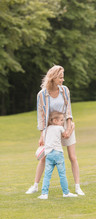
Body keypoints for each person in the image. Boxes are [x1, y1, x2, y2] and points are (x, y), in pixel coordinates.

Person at [26, 65, 85, 195]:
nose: (63, 80)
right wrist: (42, 135)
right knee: (43, 158)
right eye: (60, 77)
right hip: (50, 130)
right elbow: (41, 116)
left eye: (63, 77)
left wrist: (69, 129)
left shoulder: (65, 91)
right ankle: (35, 186)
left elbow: (68, 111)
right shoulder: (42, 95)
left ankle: (77, 187)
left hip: (65, 125)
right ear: (52, 78)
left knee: (72, 157)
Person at [38, 111, 77, 199]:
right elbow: (66, 136)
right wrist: (72, 128)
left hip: (48, 155)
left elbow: (43, 140)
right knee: (62, 174)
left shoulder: (46, 129)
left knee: (47, 175)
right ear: (55, 121)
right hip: (58, 153)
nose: (63, 122)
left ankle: (44, 194)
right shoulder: (60, 128)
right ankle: (66, 193)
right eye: (61, 120)